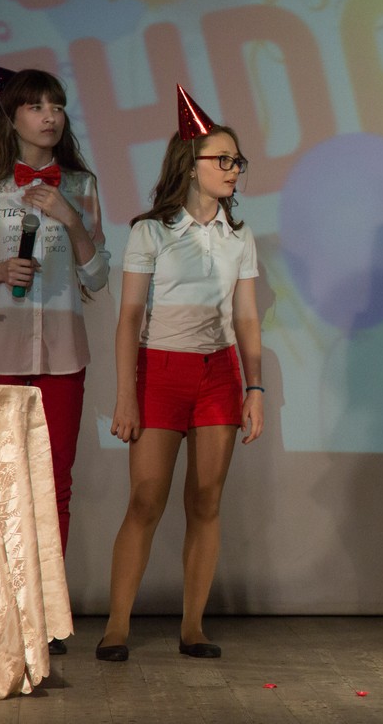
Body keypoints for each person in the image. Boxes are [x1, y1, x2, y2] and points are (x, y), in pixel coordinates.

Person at [96, 86, 263, 662]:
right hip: (160, 370)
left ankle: (193, 627)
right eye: (223, 159)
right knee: (146, 499)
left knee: (206, 499)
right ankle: (117, 626)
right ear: (189, 165)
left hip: (218, 373)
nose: (233, 169)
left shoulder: (239, 236)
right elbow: (128, 319)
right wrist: (126, 395)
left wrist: (255, 388)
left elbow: (246, 318)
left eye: (237, 160)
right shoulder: (151, 231)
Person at [0, 61, 110, 655]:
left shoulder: (82, 185)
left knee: (53, 481)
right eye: (37, 106)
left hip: (63, 352)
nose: (50, 116)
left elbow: (98, 275)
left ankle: (43, 615)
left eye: (57, 106)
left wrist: (71, 218)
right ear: (12, 117)